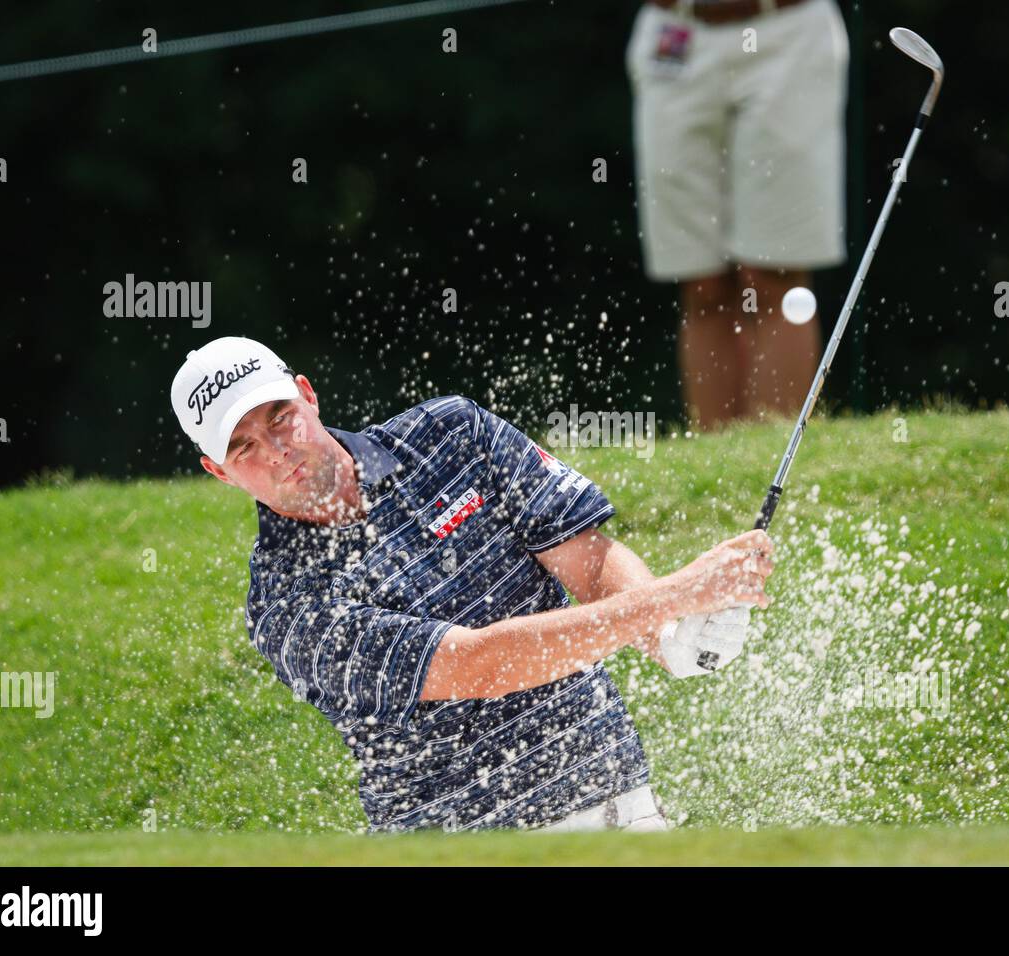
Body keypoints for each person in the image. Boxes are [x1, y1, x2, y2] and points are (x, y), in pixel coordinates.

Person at [170, 336, 774, 832]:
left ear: (308, 395)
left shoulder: (451, 434)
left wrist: (665, 635)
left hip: (624, 811)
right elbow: (479, 663)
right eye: (244, 446)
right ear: (218, 472)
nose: (278, 451)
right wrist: (672, 597)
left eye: (281, 418)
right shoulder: (285, 605)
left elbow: (586, 562)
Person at [627, 0, 849, 428]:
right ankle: (716, 467)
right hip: (676, 33)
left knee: (774, 275)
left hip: (789, 29)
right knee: (702, 282)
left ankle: (772, 464)